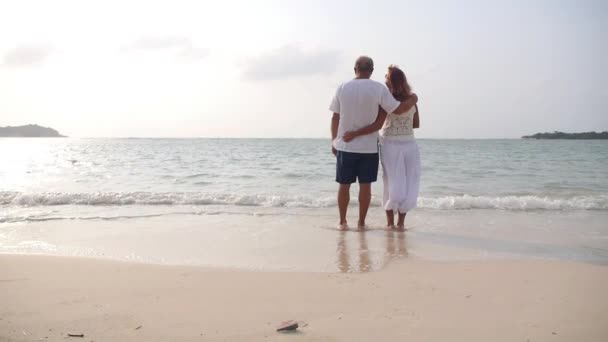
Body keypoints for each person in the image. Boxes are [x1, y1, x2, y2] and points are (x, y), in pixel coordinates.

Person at [330, 57, 418, 231]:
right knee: (365, 186)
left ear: (355, 69)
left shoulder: (342, 87)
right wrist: (414, 98)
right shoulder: (378, 88)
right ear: (371, 70)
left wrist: (334, 141)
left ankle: (342, 222)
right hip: (369, 147)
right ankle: (361, 223)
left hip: (345, 146)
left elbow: (335, 116)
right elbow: (398, 110)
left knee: (344, 185)